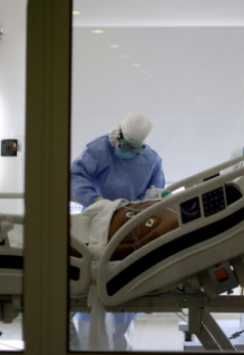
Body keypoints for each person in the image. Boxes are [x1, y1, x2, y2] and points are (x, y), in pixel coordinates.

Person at [70, 113, 166, 350]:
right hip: (96, 219)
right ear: (117, 136)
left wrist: (150, 198)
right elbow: (75, 175)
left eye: (136, 149)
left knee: (123, 294)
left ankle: (120, 345)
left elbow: (156, 190)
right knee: (89, 293)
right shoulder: (98, 150)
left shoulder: (151, 159)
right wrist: (95, 201)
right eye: (127, 146)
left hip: (128, 224)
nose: (131, 152)